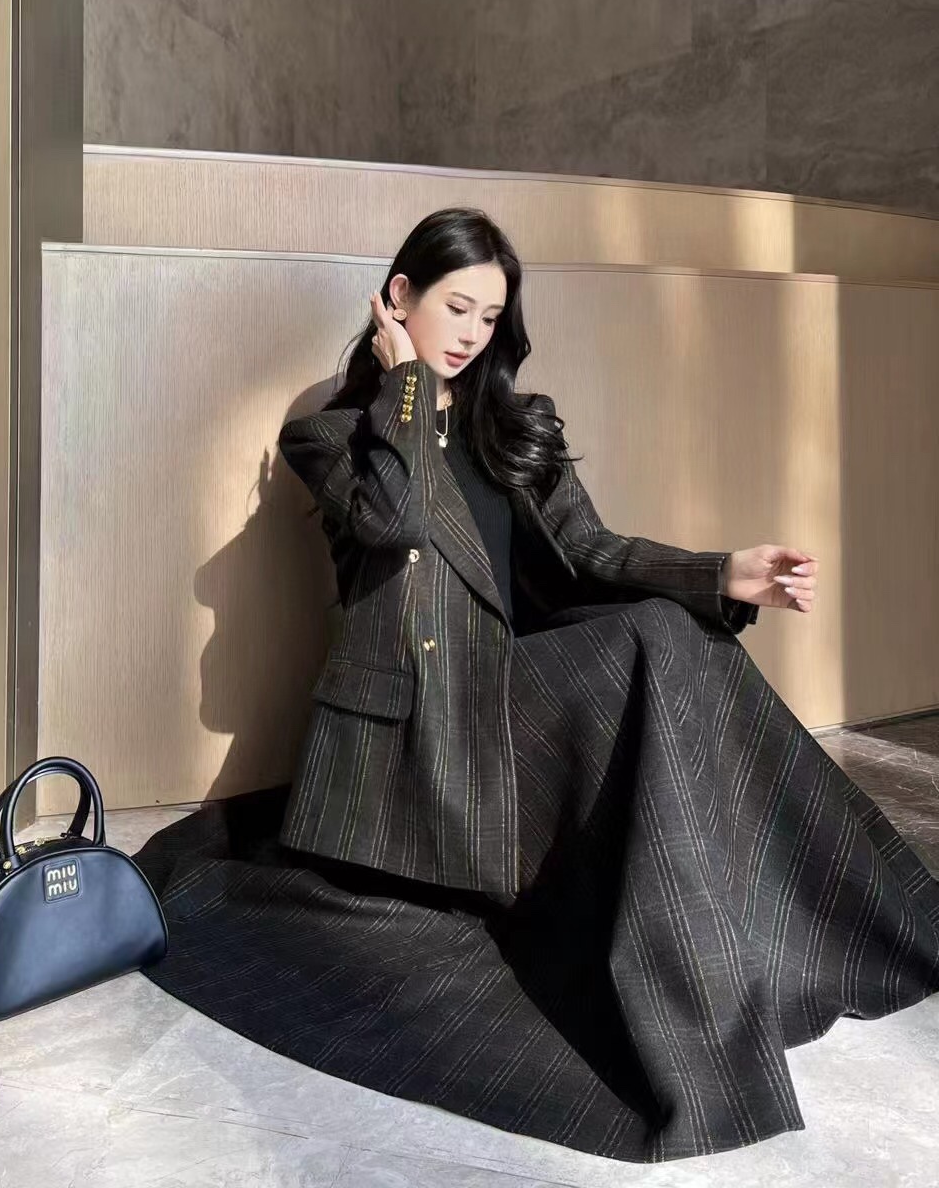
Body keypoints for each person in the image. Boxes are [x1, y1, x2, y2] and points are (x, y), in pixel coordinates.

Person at [132, 206, 939, 1164]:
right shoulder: (335, 435)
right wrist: (405, 388)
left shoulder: (515, 425)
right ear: (399, 297)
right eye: (456, 308)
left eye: (490, 317)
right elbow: (398, 521)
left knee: (679, 635)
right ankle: (707, 959)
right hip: (424, 725)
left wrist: (724, 574)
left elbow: (594, 550)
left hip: (513, 697)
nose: (473, 335)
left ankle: (793, 924)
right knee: (650, 640)